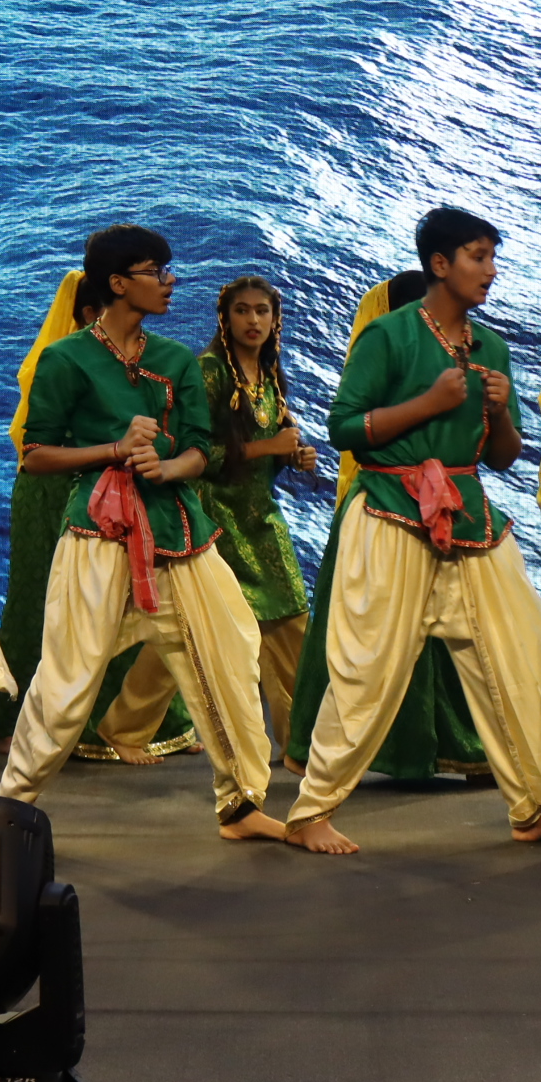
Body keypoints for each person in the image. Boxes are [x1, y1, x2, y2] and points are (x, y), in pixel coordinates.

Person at [285, 207, 541, 856]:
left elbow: (502, 457)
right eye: (478, 257)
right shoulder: (388, 336)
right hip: (390, 509)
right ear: (440, 264)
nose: (491, 271)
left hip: (468, 515)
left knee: (521, 657)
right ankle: (310, 811)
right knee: (369, 668)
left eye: (492, 258)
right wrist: (429, 404)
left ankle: (536, 805)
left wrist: (499, 414)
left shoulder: (491, 349)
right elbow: (345, 429)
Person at [0, 225, 282, 841]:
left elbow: (200, 449)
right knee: (67, 681)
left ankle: (241, 804)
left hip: (177, 532)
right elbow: (36, 455)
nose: (170, 282)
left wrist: (169, 466)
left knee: (230, 651)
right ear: (119, 283)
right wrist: (114, 449)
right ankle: (9, 807)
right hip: (98, 535)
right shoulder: (66, 359)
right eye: (157, 271)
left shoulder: (174, 360)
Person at [281, 271, 491, 782]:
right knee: (371, 630)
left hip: (440, 504)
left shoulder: (456, 361)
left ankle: (458, 744)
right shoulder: (386, 360)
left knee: (445, 625)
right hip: (384, 505)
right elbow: (350, 430)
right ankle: (342, 750)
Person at [0, 271, 197, 763]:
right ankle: (31, 725)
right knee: (47, 605)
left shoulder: (148, 362)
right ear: (91, 313)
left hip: (112, 488)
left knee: (129, 605)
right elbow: (39, 448)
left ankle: (118, 723)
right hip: (56, 492)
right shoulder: (62, 361)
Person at [191, 276, 316, 753]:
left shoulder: (269, 371)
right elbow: (193, 455)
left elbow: (271, 444)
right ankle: (129, 725)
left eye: (262, 311)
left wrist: (293, 457)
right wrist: (267, 447)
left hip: (260, 513)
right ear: (225, 318)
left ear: (275, 319)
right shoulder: (209, 372)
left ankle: (300, 739)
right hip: (218, 515)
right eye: (242, 310)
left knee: (288, 617)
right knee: (200, 633)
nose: (253, 320)